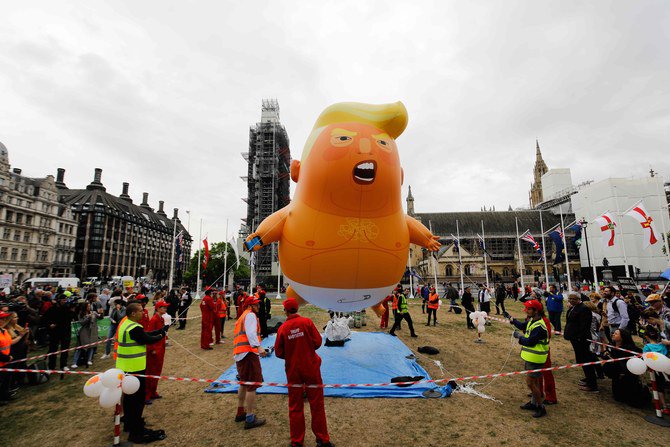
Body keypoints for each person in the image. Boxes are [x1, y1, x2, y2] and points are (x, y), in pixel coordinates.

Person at [275, 298, 333, 447]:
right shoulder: (307, 322)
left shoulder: (283, 328)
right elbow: (318, 342)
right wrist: (306, 348)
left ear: (286, 311)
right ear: (297, 309)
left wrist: (292, 353)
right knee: (317, 404)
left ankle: (297, 442)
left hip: (293, 370)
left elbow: (279, 352)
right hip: (311, 367)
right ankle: (322, 440)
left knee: (295, 406)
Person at [115, 302, 167, 443]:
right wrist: (161, 336)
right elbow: (147, 339)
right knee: (137, 400)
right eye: (140, 311)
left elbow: (145, 334)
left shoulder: (126, 324)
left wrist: (159, 331)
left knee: (130, 399)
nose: (143, 313)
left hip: (125, 366)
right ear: (133, 313)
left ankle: (130, 423)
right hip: (134, 368)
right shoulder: (134, 327)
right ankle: (136, 430)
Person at [233, 295, 268, 429]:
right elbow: (251, 333)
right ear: (250, 306)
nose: (258, 306)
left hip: (240, 354)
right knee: (252, 385)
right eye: (256, 304)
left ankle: (240, 412)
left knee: (243, 383)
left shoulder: (243, 316)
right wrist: (259, 347)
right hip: (248, 353)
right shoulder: (251, 316)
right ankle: (250, 417)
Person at [510, 300, 549, 418]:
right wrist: (512, 320)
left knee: (530, 383)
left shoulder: (539, 326)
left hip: (536, 358)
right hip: (531, 357)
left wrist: (519, 337)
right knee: (535, 382)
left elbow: (530, 342)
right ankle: (533, 403)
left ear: (536, 311)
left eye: (529, 309)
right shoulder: (532, 320)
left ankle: (540, 407)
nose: (526, 311)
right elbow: (523, 326)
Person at [601, 328, 649, 408]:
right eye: (613, 333)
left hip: (627, 376)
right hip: (616, 375)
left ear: (622, 337)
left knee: (630, 400)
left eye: (616, 334)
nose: (613, 334)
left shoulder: (630, 349)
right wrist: (605, 355)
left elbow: (639, 354)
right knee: (617, 397)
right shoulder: (612, 345)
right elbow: (607, 354)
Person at [564, 292, 598, 392]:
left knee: (586, 360)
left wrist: (579, 337)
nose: (570, 300)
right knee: (581, 360)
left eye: (573, 299)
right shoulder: (573, 308)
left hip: (581, 340)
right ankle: (588, 378)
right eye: (569, 298)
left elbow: (584, 325)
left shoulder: (583, 309)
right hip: (574, 339)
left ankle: (592, 384)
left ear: (578, 299)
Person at [42, 294, 76, 371]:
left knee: (65, 349)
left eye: (65, 300)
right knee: (53, 349)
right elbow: (45, 319)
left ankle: (63, 364)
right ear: (59, 300)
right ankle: (51, 366)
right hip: (55, 332)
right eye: (63, 300)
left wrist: (72, 311)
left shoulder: (67, 308)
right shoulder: (52, 309)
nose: (65, 301)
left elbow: (72, 318)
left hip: (66, 331)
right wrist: (49, 325)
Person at [145, 300, 169, 404]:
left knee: (157, 371)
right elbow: (149, 335)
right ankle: (147, 395)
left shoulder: (161, 319)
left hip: (160, 348)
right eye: (163, 307)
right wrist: (152, 349)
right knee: (151, 372)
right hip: (155, 350)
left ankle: (153, 392)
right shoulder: (154, 319)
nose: (165, 309)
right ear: (158, 308)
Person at [71, 301, 100, 368]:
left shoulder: (94, 312)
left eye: (90, 306)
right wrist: (88, 317)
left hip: (93, 331)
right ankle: (75, 362)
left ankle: (89, 360)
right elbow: (82, 323)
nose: (89, 307)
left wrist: (101, 313)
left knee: (92, 346)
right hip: (84, 332)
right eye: (88, 306)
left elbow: (100, 317)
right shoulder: (81, 314)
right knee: (81, 347)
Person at [0, 311, 15, 403]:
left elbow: (8, 344)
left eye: (4, 318)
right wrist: (6, 358)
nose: (4, 320)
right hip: (2, 361)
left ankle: (5, 395)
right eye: (1, 318)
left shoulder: (4, 330)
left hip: (6, 361)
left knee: (6, 380)